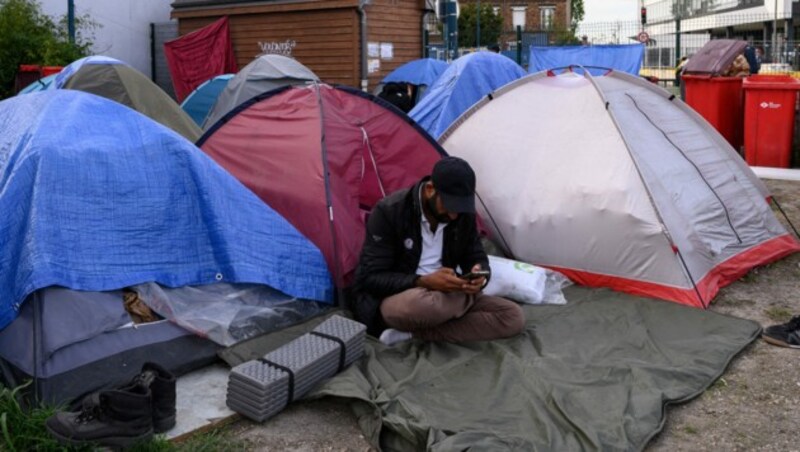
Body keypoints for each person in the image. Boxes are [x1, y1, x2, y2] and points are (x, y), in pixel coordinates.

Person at [351, 157, 526, 345]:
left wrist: (479, 275)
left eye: (460, 208)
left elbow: (475, 255)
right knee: (419, 305)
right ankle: (460, 303)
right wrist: (423, 281)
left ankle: (413, 335)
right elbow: (370, 278)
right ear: (430, 189)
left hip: (448, 293)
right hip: (406, 297)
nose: (454, 215)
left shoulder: (462, 215)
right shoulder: (389, 212)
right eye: (449, 206)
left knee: (512, 317)